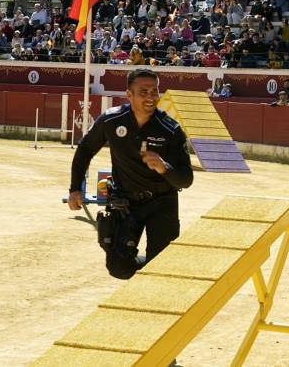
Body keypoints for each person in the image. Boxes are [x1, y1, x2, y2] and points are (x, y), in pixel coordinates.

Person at [68, 69, 194, 280]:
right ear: (129, 95)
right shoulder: (111, 120)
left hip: (162, 203)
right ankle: (149, 271)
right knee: (119, 268)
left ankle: (154, 276)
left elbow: (186, 178)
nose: (150, 97)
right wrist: (74, 188)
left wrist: (164, 167)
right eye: (143, 91)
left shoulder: (170, 130)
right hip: (125, 204)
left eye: (154, 91)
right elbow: (85, 150)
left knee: (162, 267)